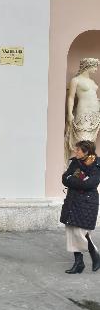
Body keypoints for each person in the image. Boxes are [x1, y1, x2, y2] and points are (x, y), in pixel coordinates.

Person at [60, 140, 100, 274]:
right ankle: (79, 263)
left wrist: (74, 180)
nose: (75, 152)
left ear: (86, 152)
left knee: (80, 232)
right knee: (71, 230)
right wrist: (78, 180)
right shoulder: (75, 162)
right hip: (73, 200)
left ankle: (95, 254)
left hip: (87, 202)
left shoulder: (97, 164)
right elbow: (65, 178)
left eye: (78, 150)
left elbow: (90, 184)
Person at [64, 58, 100, 165]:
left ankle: (88, 168)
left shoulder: (92, 82)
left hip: (94, 115)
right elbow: (71, 98)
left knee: (90, 143)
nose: (96, 69)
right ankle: (76, 167)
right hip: (83, 114)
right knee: (82, 142)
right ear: (88, 66)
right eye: (95, 66)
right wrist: (70, 113)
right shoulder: (76, 80)